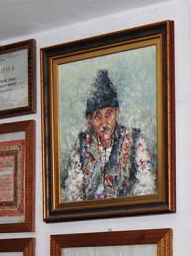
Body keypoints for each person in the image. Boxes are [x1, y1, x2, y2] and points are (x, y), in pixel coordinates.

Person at [62, 69, 156, 202]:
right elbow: (72, 191)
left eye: (109, 114)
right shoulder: (82, 144)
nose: (104, 123)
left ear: (117, 113)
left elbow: (146, 185)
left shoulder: (134, 140)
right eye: (98, 117)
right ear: (89, 121)